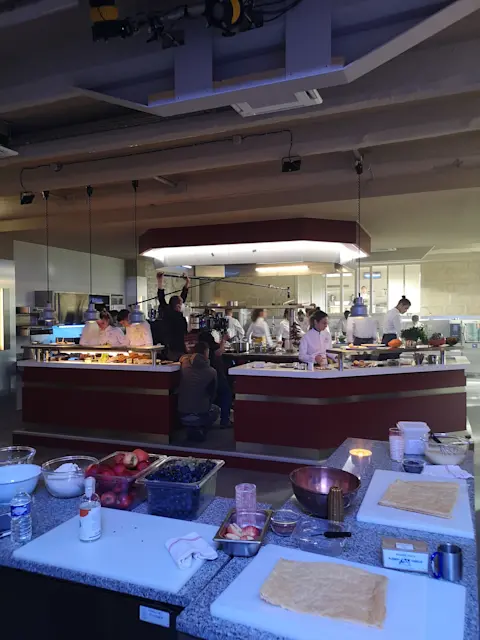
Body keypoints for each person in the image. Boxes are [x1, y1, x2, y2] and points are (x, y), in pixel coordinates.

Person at [178, 341, 219, 442]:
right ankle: (201, 429)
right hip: (200, 412)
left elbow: (183, 357)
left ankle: (193, 429)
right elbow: (213, 394)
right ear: (206, 352)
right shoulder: (212, 372)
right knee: (216, 409)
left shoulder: (185, 365)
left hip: (182, 412)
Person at [198, 330, 233, 428]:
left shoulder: (198, 350)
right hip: (216, 375)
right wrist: (224, 340)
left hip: (203, 377)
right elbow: (219, 352)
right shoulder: (212, 349)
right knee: (226, 393)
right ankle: (225, 420)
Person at [156, 271, 191, 360]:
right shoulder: (176, 316)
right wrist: (160, 281)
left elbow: (161, 298)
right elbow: (161, 297)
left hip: (172, 347)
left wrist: (187, 282)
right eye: (181, 304)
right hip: (175, 349)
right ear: (178, 306)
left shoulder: (167, 312)